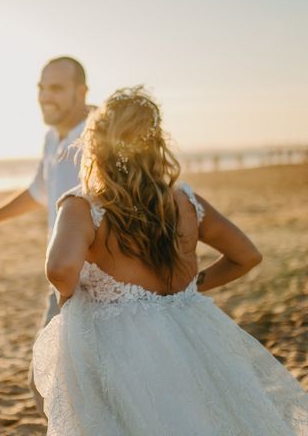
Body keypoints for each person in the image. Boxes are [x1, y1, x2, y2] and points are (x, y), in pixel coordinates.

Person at [32, 85, 308, 435]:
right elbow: (246, 255)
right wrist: (196, 284)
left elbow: (59, 268)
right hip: (193, 331)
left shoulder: (84, 205)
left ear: (97, 143)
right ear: (154, 143)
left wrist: (72, 295)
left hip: (120, 347)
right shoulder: (184, 201)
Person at [0, 56, 93, 416]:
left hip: (97, 284)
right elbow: (37, 193)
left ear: (81, 91)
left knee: (64, 389)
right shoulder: (50, 139)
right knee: (47, 386)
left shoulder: (101, 136)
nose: (45, 96)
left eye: (56, 88)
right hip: (61, 284)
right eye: (41, 88)